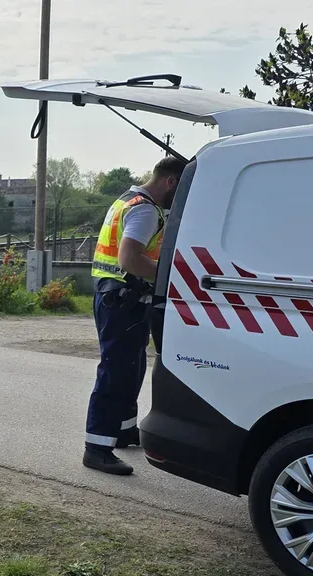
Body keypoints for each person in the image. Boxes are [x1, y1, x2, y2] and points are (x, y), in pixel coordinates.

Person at [83, 155, 186, 476]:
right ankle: (97, 448)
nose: (180, 198)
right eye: (181, 188)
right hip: (123, 299)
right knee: (116, 372)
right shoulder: (144, 210)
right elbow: (129, 259)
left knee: (132, 366)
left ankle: (124, 430)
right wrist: (171, 275)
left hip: (117, 298)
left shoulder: (127, 199)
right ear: (171, 181)